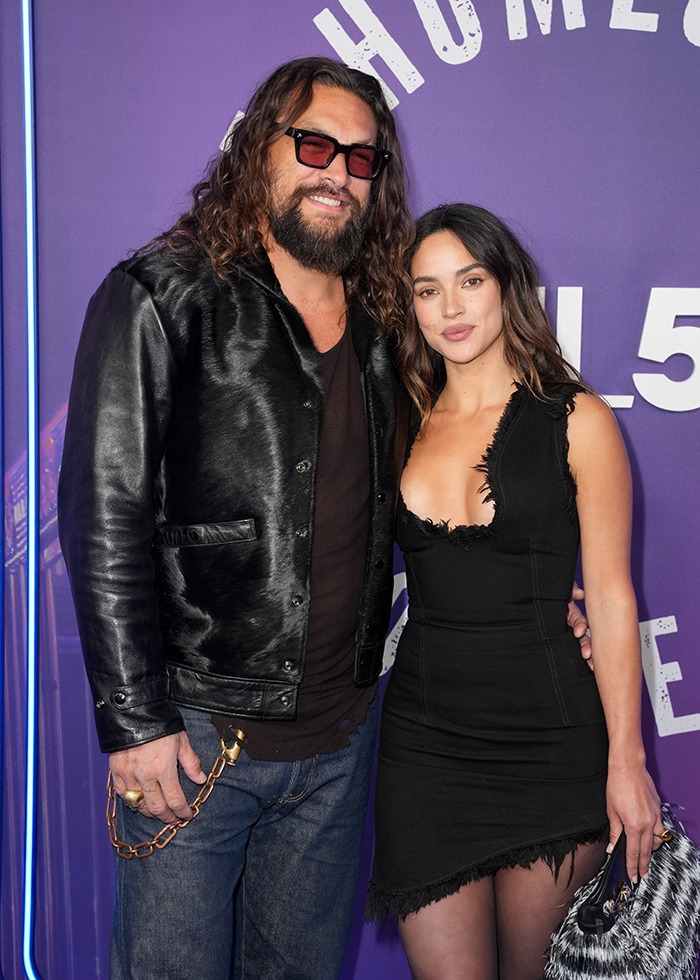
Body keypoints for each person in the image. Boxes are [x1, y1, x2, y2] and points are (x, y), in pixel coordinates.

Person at [58, 57, 413, 980]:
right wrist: (135, 725)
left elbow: (418, 498)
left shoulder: (385, 318)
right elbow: (104, 513)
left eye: (363, 159)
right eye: (315, 145)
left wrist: (545, 600)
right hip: (196, 734)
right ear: (260, 149)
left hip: (340, 740)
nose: (339, 171)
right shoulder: (161, 291)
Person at [367, 204, 664, 980]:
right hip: (425, 752)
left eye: (470, 281)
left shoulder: (580, 420)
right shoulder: (399, 421)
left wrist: (627, 766)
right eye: (427, 291)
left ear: (508, 287)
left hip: (552, 747)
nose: (451, 308)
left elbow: (609, 596)